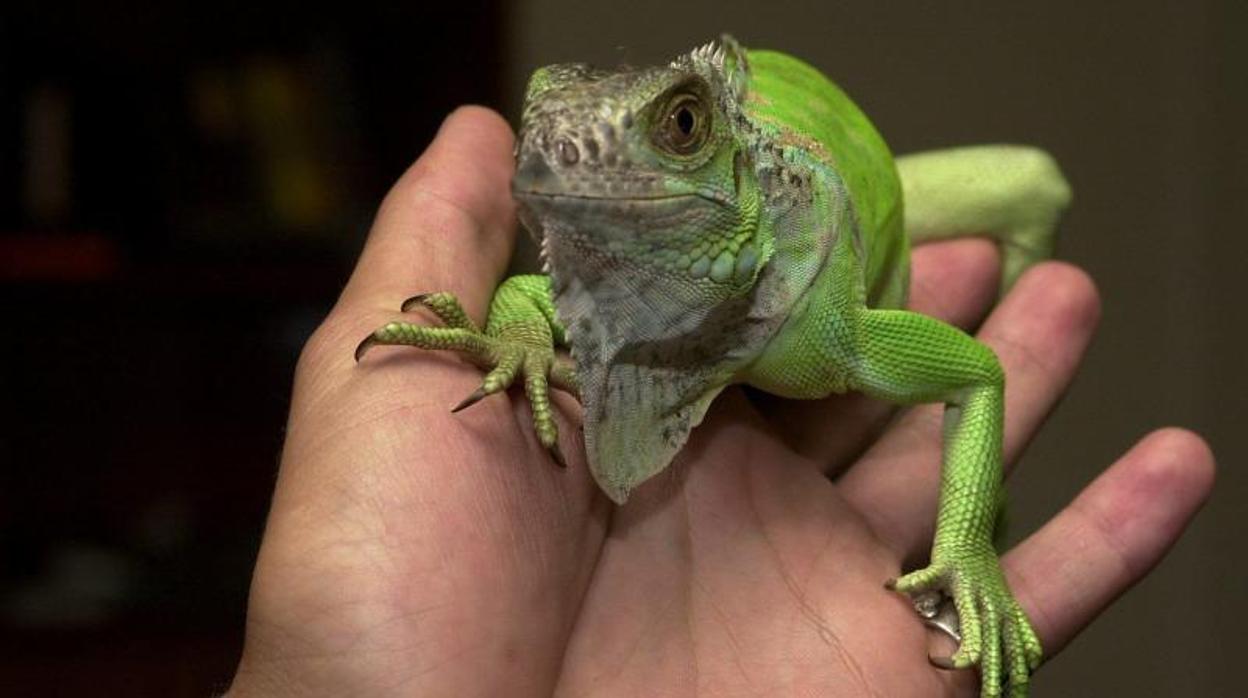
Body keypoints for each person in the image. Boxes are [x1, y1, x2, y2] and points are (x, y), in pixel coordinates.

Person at [225, 107, 1215, 696]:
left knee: (1032, 187)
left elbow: (977, 372)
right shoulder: (632, 275)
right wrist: (521, 339)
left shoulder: (832, 328)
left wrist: (969, 535)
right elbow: (531, 295)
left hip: (835, 216)